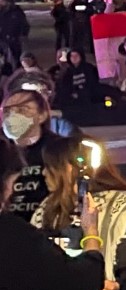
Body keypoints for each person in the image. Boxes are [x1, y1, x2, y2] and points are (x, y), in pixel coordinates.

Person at [0, 140, 121, 290]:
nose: (13, 190)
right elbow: (83, 280)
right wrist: (91, 232)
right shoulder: (12, 232)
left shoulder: (120, 204)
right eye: (13, 182)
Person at [32, 131, 126, 290]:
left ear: (72, 167)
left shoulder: (120, 204)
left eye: (50, 167)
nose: (44, 173)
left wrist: (117, 287)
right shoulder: (45, 208)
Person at [2, 87, 64, 222]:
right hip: (8, 232)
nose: (13, 116)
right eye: (7, 111)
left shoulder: (61, 149)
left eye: (23, 109)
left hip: (48, 229)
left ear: (42, 115)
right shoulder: (3, 153)